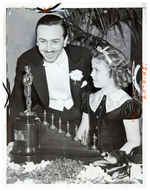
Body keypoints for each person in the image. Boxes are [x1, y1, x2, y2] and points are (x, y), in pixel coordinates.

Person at [8, 14, 92, 142]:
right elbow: (17, 104)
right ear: (36, 41)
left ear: (65, 40)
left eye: (55, 41)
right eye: (43, 41)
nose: (48, 49)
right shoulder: (26, 61)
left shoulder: (84, 57)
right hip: (45, 123)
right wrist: (15, 141)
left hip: (81, 123)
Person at [76, 46, 142, 166]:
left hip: (116, 164)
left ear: (113, 72)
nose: (91, 74)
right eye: (92, 69)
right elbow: (82, 132)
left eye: (97, 70)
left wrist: (111, 160)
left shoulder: (128, 105)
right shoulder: (89, 98)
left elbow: (134, 141)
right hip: (89, 161)